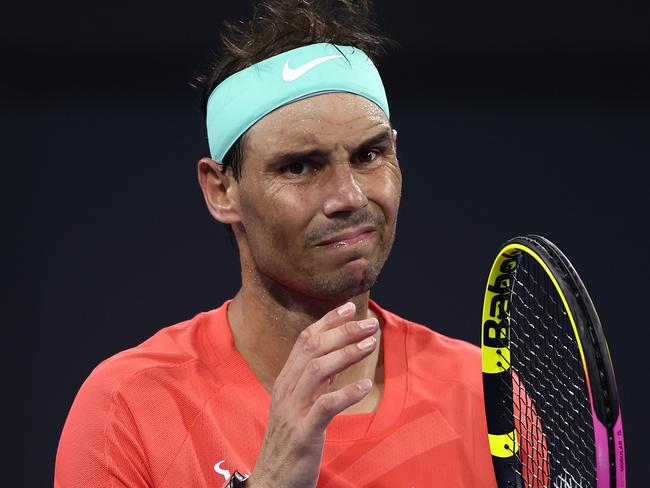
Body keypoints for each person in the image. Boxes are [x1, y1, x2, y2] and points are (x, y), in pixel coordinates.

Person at [55, 1, 497, 486]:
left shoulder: (492, 400)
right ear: (222, 191)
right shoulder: (130, 410)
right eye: (300, 167)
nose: (349, 197)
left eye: (369, 154)